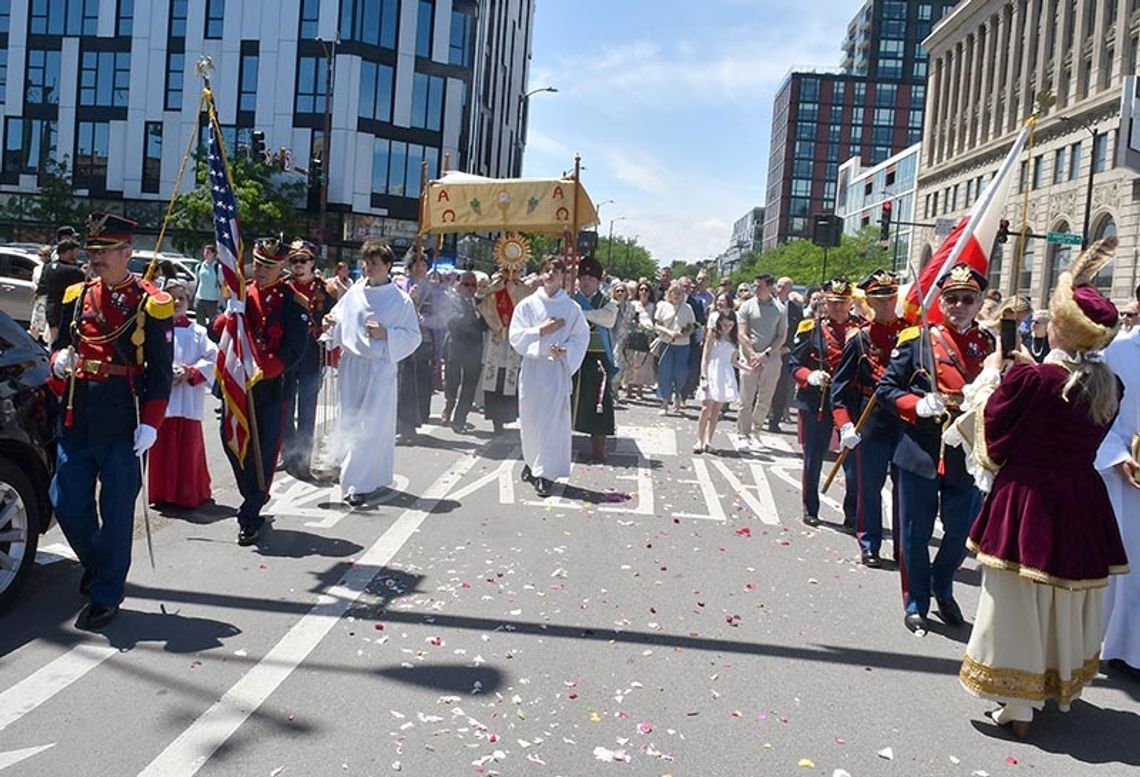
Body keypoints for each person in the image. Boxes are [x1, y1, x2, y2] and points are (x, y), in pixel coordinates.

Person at [953, 237, 1128, 735]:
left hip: (1027, 499)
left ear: (1060, 325)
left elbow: (991, 436)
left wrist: (996, 376)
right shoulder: (1110, 385)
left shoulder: (1033, 381)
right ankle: (1052, 687)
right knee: (1062, 601)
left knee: (1015, 601)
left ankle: (1016, 704)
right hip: (1081, 500)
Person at [48, 213, 174, 629]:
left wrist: (152, 422)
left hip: (124, 417)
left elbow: (159, 371)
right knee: (65, 501)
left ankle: (106, 593)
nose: (96, 258)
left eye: (105, 251)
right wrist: (58, 361)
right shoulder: (75, 296)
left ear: (127, 253)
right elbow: (61, 346)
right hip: (78, 412)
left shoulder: (150, 303)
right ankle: (100, 565)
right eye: (93, 250)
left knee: (117, 510)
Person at [877, 263, 994, 635]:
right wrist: (916, 405)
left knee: (961, 533)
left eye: (967, 299)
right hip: (921, 448)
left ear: (978, 304)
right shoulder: (917, 339)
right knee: (914, 532)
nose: (959, 305)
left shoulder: (990, 345)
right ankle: (916, 601)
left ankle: (943, 587)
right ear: (941, 302)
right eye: (952, 299)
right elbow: (887, 390)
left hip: (967, 453)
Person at [218, 237, 309, 546]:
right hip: (238, 385)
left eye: (269, 266)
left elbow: (295, 349)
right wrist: (228, 318)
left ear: (281, 267)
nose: (260, 270)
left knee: (263, 453)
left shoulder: (292, 301)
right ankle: (251, 494)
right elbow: (221, 328)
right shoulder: (241, 293)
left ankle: (251, 513)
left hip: (270, 388)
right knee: (230, 442)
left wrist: (265, 368)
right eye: (257, 263)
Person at [326, 239, 422, 506]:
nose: (368, 267)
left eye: (375, 263)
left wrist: (386, 334)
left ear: (388, 266)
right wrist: (330, 322)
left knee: (370, 425)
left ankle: (357, 483)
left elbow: (413, 337)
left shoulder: (400, 301)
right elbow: (338, 317)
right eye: (366, 262)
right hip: (353, 365)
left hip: (380, 368)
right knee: (350, 418)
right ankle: (357, 472)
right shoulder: (356, 292)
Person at [830, 270, 909, 566]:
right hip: (870, 420)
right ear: (870, 303)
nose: (887, 304)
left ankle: (903, 547)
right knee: (869, 487)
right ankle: (870, 542)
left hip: (905, 422)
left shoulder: (912, 334)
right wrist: (844, 423)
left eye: (890, 297)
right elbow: (839, 389)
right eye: (880, 299)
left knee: (905, 490)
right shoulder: (860, 339)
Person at [509, 257, 589, 498]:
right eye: (546, 270)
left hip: (555, 371)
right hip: (534, 369)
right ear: (541, 274)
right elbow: (516, 335)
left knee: (552, 422)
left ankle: (545, 474)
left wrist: (566, 351)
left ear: (564, 276)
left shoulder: (572, 308)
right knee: (531, 419)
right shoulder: (528, 305)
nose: (551, 274)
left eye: (556, 271)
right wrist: (542, 330)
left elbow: (580, 338)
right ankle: (532, 462)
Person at [789, 279, 857, 527]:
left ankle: (852, 512)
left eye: (843, 303)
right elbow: (794, 365)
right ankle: (810, 507)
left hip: (848, 401)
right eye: (833, 303)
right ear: (825, 303)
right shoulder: (810, 328)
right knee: (813, 457)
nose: (838, 308)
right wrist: (809, 376)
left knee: (852, 460)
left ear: (850, 303)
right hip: (816, 400)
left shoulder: (860, 330)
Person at [1099, 278, 1140, 677]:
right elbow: (1095, 412)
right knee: (1128, 563)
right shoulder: (1117, 352)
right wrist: (1118, 454)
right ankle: (1122, 646)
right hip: (1127, 474)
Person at [148, 278, 217, 508]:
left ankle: (189, 494)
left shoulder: (198, 332)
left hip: (187, 397)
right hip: (163, 396)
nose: (177, 302)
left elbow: (211, 358)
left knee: (188, 446)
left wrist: (190, 372)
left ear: (189, 301)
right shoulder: (154, 329)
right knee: (162, 444)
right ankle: (162, 493)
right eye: (172, 297)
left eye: (182, 298)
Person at [282, 239, 332, 480]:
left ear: (312, 262)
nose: (298, 265)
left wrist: (328, 329)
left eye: (303, 260)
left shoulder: (326, 290)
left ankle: (303, 458)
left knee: (307, 410)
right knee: (285, 405)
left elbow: (336, 318)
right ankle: (289, 453)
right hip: (288, 357)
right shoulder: (283, 287)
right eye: (294, 261)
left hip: (312, 357)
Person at [571, 257, 619, 463]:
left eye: (590, 278)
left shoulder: (608, 303)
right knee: (568, 401)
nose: (586, 282)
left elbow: (607, 320)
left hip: (597, 358)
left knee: (599, 403)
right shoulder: (570, 299)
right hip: (574, 357)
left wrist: (580, 313)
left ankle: (599, 451)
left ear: (599, 281)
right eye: (583, 277)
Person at [736, 273, 788, 447]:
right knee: (746, 399)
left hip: (771, 359)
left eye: (759, 286)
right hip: (748, 357)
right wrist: (752, 354)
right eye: (754, 285)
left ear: (769, 287)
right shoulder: (746, 306)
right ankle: (743, 434)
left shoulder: (780, 309)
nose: (755, 289)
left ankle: (756, 431)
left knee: (765, 399)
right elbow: (742, 333)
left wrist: (766, 354)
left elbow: (781, 336)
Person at [478, 265, 531, 434]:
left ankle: (508, 415)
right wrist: (499, 325)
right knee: (495, 380)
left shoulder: (525, 290)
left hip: (514, 340)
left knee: (511, 379)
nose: (511, 274)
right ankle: (496, 421)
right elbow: (484, 307)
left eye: (515, 271)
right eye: (507, 270)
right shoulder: (494, 287)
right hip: (496, 338)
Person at [396, 250, 439, 443]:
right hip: (402, 341)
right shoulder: (399, 285)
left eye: (423, 264)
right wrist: (408, 298)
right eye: (416, 263)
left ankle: (412, 423)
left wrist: (422, 319)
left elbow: (442, 318)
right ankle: (401, 423)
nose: (419, 267)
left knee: (418, 385)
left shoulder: (433, 289)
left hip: (424, 343)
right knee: (402, 384)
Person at [695, 290, 742, 453]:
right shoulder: (713, 329)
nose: (727, 327)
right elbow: (705, 355)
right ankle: (699, 440)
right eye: (719, 300)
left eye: (724, 300)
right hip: (711, 370)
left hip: (725, 373)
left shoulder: (734, 338)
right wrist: (703, 376)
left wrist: (750, 368)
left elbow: (735, 361)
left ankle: (709, 440)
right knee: (706, 406)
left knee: (716, 409)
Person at [442, 271, 487, 433]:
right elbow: (452, 322)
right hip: (457, 346)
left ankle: (460, 419)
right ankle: (449, 406)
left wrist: (481, 314)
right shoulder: (453, 301)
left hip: (474, 348)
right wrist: (470, 315)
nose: (470, 288)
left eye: (473, 285)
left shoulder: (481, 304)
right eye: (466, 285)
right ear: (459, 286)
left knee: (469, 386)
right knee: (452, 381)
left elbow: (486, 324)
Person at [653, 279, 696, 415]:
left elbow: (692, 326)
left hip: (683, 345)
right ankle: (664, 403)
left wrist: (684, 334)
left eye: (679, 293)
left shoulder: (687, 308)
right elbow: (657, 324)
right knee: (665, 373)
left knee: (681, 373)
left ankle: (678, 397)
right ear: (669, 293)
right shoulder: (662, 306)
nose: (676, 295)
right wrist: (669, 332)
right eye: (674, 293)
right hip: (666, 343)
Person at [36, 235, 87, 343]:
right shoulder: (74, 271)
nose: (77, 255)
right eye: (76, 252)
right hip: (66, 312)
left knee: (53, 342)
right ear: (69, 252)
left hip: (51, 309)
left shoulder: (49, 266)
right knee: (64, 345)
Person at [767, 276, 803, 432]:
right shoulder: (768, 305)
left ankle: (774, 420)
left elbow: (799, 333)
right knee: (763, 385)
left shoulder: (795, 310)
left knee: (781, 387)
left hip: (784, 353)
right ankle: (758, 417)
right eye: (778, 286)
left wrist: (789, 347)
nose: (779, 289)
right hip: (766, 351)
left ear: (789, 290)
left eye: (783, 286)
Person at [622, 282, 657, 399]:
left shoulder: (653, 306)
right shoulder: (633, 304)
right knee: (631, 362)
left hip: (647, 336)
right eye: (641, 289)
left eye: (646, 290)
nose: (644, 292)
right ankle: (629, 388)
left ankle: (640, 389)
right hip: (633, 335)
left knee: (643, 364)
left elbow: (655, 321)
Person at [194, 243, 222, 322]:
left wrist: (220, 301)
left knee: (213, 324)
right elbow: (198, 282)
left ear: (213, 254)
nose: (205, 254)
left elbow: (222, 285)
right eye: (205, 252)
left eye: (208, 252)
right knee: (200, 323)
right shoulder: (199, 266)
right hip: (200, 298)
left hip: (213, 300)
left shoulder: (218, 268)